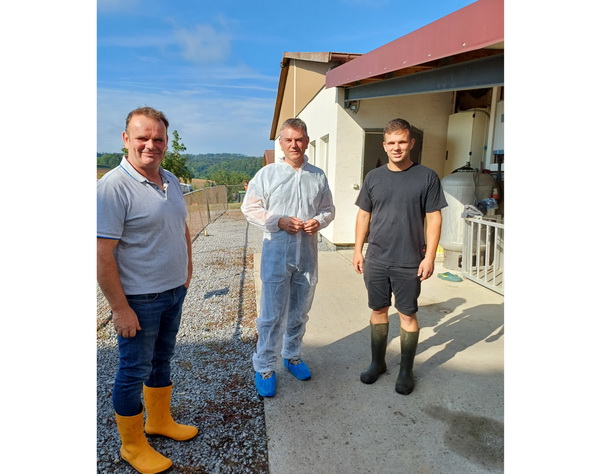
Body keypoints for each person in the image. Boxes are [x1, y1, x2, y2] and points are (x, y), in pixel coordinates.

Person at [97, 107, 198, 473]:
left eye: (158, 138)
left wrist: (186, 269)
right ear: (126, 139)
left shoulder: (168, 178)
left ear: (166, 142)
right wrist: (120, 308)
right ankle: (132, 444)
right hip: (139, 300)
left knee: (162, 361)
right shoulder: (112, 188)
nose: (150, 145)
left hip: (173, 292)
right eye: (142, 137)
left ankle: (158, 422)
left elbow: (182, 226)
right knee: (132, 370)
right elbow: (101, 254)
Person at [353, 118, 447, 395]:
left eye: (402, 142)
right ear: (384, 145)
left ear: (411, 143)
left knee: (407, 314)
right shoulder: (374, 177)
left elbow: (434, 218)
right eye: (391, 143)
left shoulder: (427, 177)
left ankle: (406, 370)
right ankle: (377, 363)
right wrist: (358, 250)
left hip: (409, 260)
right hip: (377, 258)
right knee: (378, 310)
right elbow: (363, 215)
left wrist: (429, 256)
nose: (397, 147)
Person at [241, 118, 335, 397]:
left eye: (300, 139)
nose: (294, 144)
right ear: (281, 143)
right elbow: (250, 208)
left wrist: (318, 221)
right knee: (271, 314)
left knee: (299, 310)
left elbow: (328, 209)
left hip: (306, 254)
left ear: (307, 141)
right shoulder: (267, 174)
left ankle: (292, 354)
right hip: (276, 253)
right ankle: (264, 365)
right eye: (288, 139)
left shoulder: (317, 175)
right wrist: (278, 221)